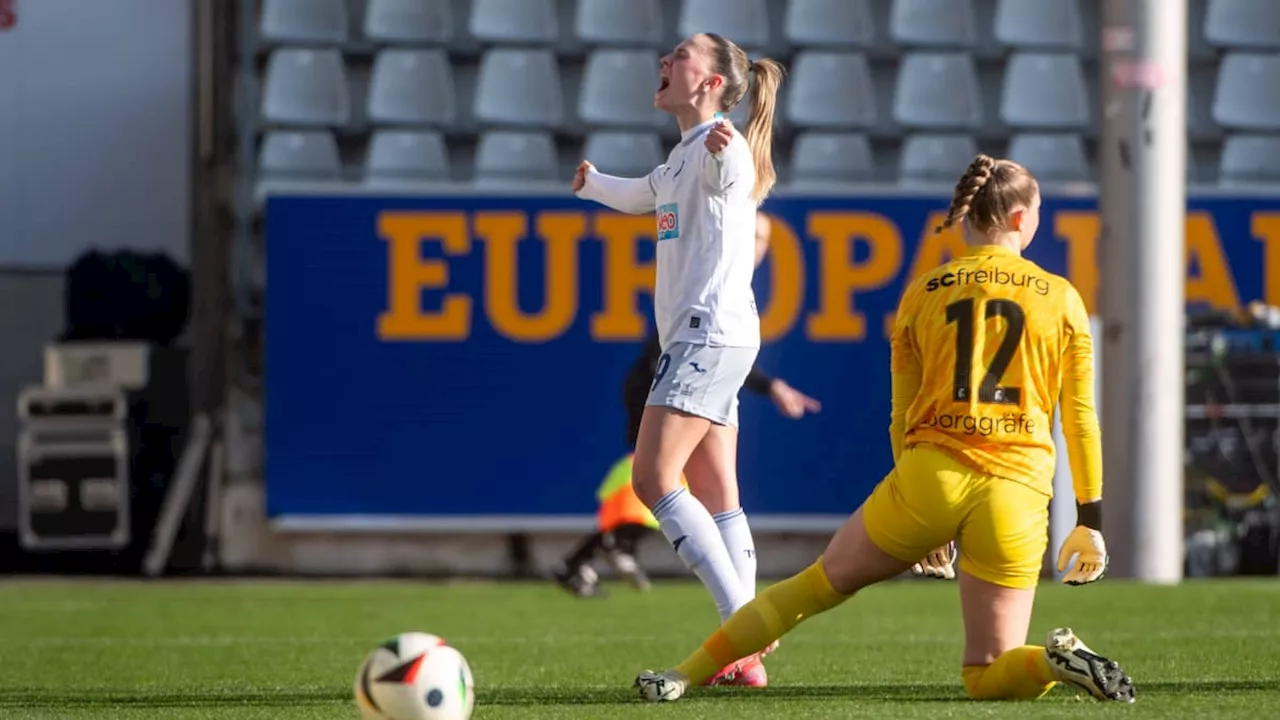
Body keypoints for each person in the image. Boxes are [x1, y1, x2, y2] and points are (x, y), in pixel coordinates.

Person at [634, 154, 1136, 705]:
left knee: (811, 589)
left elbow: (902, 415)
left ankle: (682, 674)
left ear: (968, 218)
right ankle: (1050, 659)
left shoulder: (925, 291)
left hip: (931, 476)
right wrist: (1089, 516)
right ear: (1020, 219)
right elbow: (1080, 418)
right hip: (1017, 494)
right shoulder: (1062, 297)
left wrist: (920, 508)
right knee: (987, 674)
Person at [572, 33, 789, 686]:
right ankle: (743, 650)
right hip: (719, 336)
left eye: (681, 56)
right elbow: (648, 194)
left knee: (653, 479)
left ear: (713, 82)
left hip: (703, 336)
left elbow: (732, 179)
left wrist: (726, 159)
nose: (665, 62)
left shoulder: (722, 149)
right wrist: (594, 185)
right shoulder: (684, 153)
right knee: (719, 492)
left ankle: (741, 629)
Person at [554, 214, 823, 598]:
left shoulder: (734, 280)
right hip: (663, 381)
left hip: (691, 381)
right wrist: (771, 386)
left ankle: (598, 552)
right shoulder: (715, 269)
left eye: (764, 238)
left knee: (686, 486)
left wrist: (771, 385)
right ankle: (617, 548)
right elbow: (701, 343)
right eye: (752, 234)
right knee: (661, 479)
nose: (758, 245)